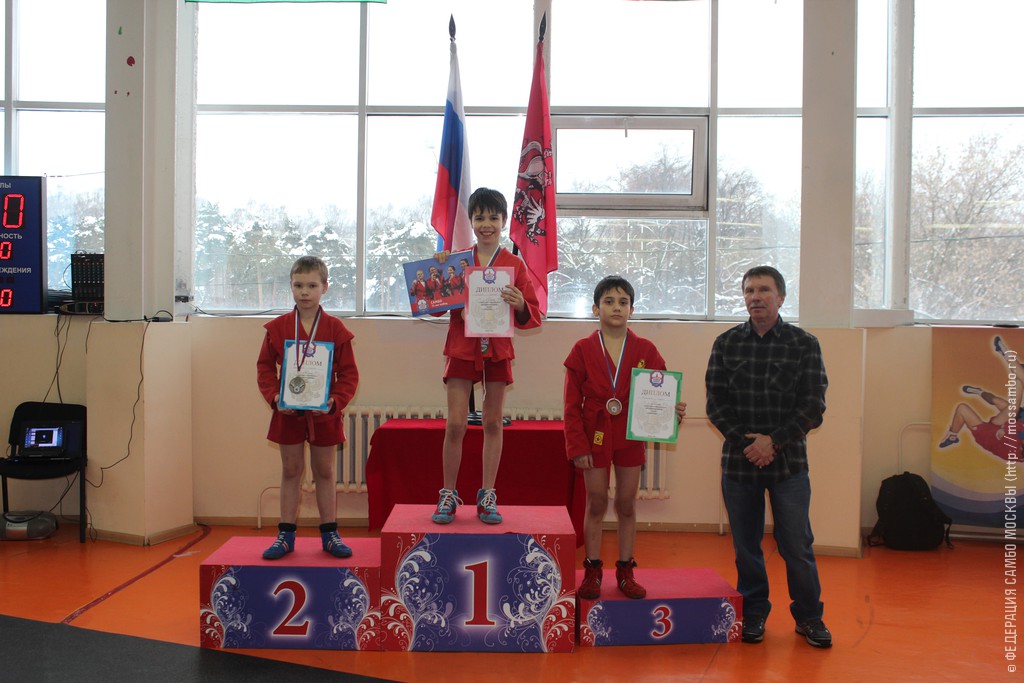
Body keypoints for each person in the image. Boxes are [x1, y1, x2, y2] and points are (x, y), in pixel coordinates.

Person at [704, 265, 832, 648]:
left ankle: (809, 617)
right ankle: (754, 612)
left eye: (763, 290)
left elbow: (813, 406)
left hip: (789, 466)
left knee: (797, 545)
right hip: (739, 464)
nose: (755, 297)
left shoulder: (804, 344)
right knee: (746, 546)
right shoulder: (726, 343)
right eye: (749, 291)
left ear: (781, 297)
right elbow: (715, 404)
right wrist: (749, 444)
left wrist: (772, 441)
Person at [563, 276, 687, 599]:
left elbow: (661, 394)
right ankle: (592, 570)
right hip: (594, 434)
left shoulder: (646, 350)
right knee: (596, 502)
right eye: (609, 301)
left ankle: (625, 570)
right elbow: (571, 406)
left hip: (631, 434)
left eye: (623, 302)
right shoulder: (582, 350)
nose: (616, 308)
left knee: (626, 504)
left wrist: (672, 411)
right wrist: (577, 446)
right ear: (596, 309)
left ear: (632, 310)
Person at [431, 187, 541, 525]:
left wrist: (519, 304)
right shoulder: (457, 260)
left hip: (497, 349)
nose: (487, 224)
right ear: (471, 221)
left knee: (493, 423)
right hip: (462, 347)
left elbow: (532, 314)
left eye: (494, 217)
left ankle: (487, 494)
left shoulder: (515, 264)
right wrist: (440, 271)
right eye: (480, 217)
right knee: (456, 423)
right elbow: (435, 308)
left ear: (504, 221)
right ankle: (448, 493)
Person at [256, 256, 359, 560]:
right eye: (298, 285)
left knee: (324, 471)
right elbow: (264, 368)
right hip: (287, 413)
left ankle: (330, 534)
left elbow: (349, 374)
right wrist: (275, 397)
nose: (304, 292)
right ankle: (285, 535)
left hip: (323, 414)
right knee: (291, 471)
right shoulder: (278, 328)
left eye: (312, 285)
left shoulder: (335, 329)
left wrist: (334, 401)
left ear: (325, 287)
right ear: (291, 286)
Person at [938, 335, 1020, 461]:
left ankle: (952, 436)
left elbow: (1004, 433)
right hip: (1005, 427)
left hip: (989, 437)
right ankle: (980, 391)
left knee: (962, 408)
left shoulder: (1013, 449)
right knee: (1000, 402)